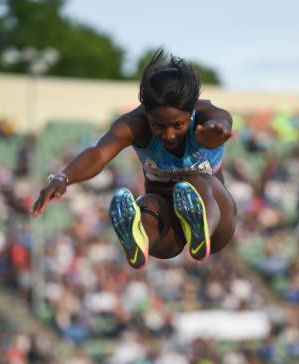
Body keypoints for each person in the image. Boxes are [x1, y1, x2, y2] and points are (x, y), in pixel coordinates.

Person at [32, 49, 237, 269]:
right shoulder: (133, 124)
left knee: (196, 182)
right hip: (168, 233)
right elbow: (99, 154)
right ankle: (141, 239)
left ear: (191, 113)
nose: (168, 135)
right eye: (158, 125)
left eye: (178, 125)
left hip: (217, 220)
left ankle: (201, 229)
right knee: (149, 204)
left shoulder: (208, 117)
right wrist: (64, 177)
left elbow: (223, 122)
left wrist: (215, 135)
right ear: (147, 114)